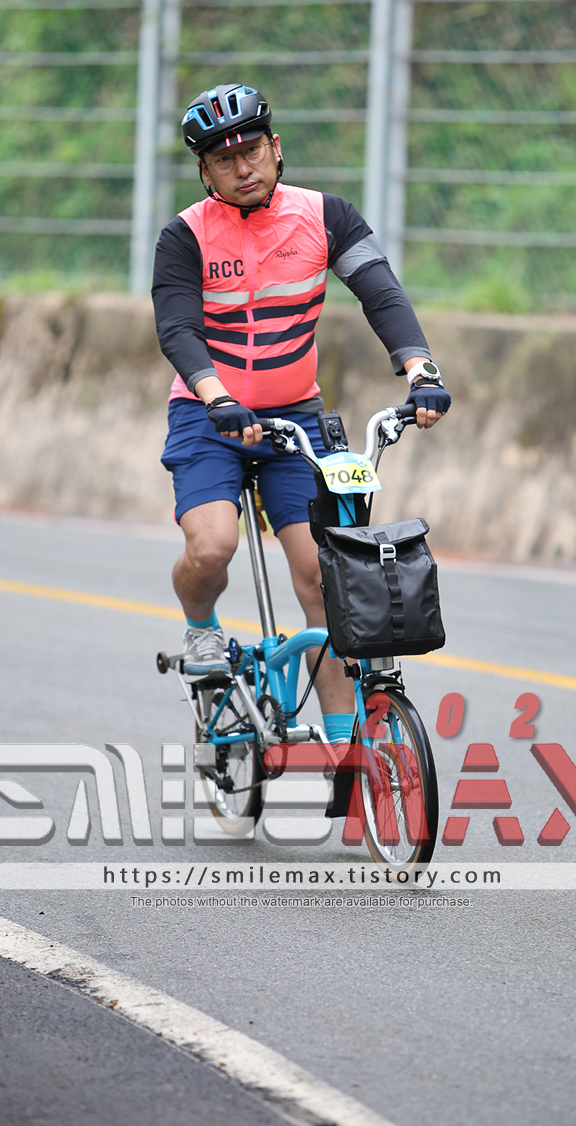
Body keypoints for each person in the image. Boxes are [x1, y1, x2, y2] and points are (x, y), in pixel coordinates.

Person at [151, 82, 450, 744]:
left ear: (276, 147)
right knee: (212, 547)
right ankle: (201, 628)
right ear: (205, 171)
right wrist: (216, 396)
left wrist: (421, 371)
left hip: (295, 420)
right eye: (225, 159)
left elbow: (381, 294)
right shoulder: (184, 236)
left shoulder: (327, 216)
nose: (244, 167)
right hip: (209, 417)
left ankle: (346, 746)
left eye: (253, 150)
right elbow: (178, 330)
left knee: (325, 577)